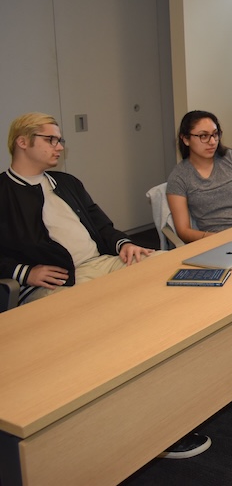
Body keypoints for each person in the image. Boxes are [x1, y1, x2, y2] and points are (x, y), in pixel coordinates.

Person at [0, 112, 211, 458]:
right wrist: (25, 272)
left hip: (103, 264)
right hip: (59, 281)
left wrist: (124, 245)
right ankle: (145, 427)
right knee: (113, 336)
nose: (59, 146)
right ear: (23, 142)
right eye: (51, 139)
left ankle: (189, 380)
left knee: (174, 270)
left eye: (60, 139)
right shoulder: (3, 192)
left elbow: (103, 226)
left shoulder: (65, 183)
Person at [167, 110, 232, 243]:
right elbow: (183, 231)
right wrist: (217, 238)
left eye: (215, 134)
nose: (212, 141)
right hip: (215, 241)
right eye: (203, 136)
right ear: (185, 139)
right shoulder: (179, 177)